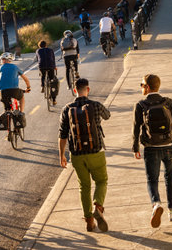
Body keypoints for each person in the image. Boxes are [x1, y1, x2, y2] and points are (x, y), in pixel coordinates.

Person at [132, 74, 172, 228]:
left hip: (151, 148)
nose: (141, 87)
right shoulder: (168, 102)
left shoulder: (141, 105)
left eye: (142, 85)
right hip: (169, 146)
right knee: (170, 177)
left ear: (148, 87)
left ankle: (156, 203)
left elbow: (136, 128)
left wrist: (135, 147)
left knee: (152, 179)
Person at [58, 78, 111, 232]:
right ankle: (98, 206)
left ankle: (89, 221)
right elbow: (107, 115)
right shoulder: (95, 105)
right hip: (96, 152)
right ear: (88, 89)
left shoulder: (67, 109)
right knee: (101, 181)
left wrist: (62, 155)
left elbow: (62, 134)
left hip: (77, 154)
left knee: (84, 186)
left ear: (75, 90)